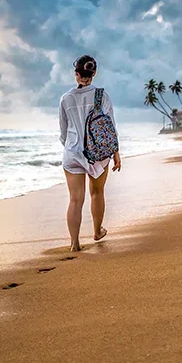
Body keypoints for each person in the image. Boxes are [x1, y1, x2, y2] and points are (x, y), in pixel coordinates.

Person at [58, 55, 121, 252]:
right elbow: (110, 127)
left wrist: (72, 147)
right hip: (99, 154)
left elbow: (63, 132)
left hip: (72, 153)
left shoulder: (66, 99)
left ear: (76, 74)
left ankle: (74, 243)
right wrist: (115, 152)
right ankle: (96, 231)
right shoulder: (102, 96)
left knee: (75, 199)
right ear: (94, 74)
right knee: (97, 193)